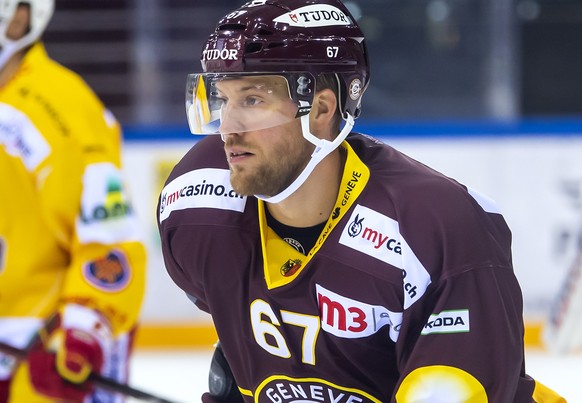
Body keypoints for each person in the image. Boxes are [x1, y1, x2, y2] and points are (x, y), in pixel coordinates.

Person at [157, 0, 564, 401]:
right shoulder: (195, 204)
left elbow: (452, 390)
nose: (228, 128)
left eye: (252, 100)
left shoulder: (435, 228)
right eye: (223, 100)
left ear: (321, 108)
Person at [0, 1, 146, 402]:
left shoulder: (60, 105)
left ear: (20, 17)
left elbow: (109, 241)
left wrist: (84, 331)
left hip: (40, 350)